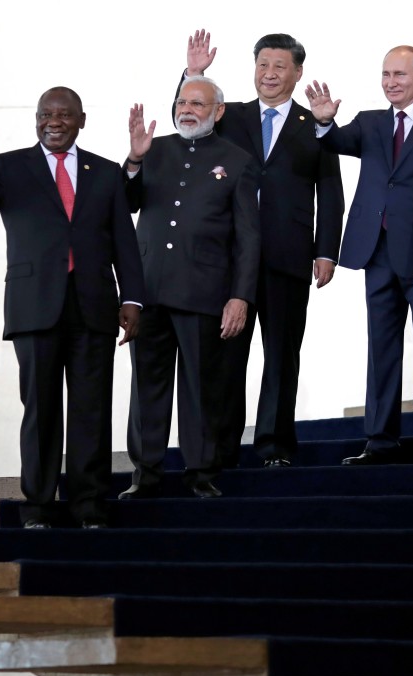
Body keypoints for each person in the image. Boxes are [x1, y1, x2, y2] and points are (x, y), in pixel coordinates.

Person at [0, 87, 146, 529]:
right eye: (45, 114)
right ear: (36, 120)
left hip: (94, 307)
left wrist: (132, 298)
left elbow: (124, 243)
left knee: (91, 411)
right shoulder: (9, 167)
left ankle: (89, 506)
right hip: (34, 307)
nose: (53, 122)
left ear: (82, 120)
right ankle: (38, 507)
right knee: (41, 410)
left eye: (64, 115)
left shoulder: (106, 172)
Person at [181, 29, 344, 468]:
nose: (268, 74)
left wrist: (327, 251)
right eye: (262, 65)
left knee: (281, 355)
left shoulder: (316, 123)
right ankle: (220, 449)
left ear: (297, 71)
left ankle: (273, 446)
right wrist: (194, 73)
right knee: (226, 357)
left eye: (278, 66)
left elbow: (330, 190)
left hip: (288, 256)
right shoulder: (227, 115)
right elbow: (186, 123)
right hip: (230, 260)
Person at [304, 47, 413, 466]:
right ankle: (380, 440)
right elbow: (336, 140)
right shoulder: (370, 123)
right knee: (381, 348)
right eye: (386, 74)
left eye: (400, 74)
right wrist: (323, 121)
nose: (391, 82)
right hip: (377, 253)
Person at [120, 76, 261, 499]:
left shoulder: (237, 160)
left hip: (204, 292)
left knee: (202, 386)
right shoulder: (154, 149)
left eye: (198, 103)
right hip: (150, 289)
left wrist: (241, 296)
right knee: (147, 385)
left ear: (217, 111)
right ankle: (145, 472)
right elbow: (124, 203)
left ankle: (201, 472)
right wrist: (133, 160)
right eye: (182, 101)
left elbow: (248, 237)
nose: (188, 109)